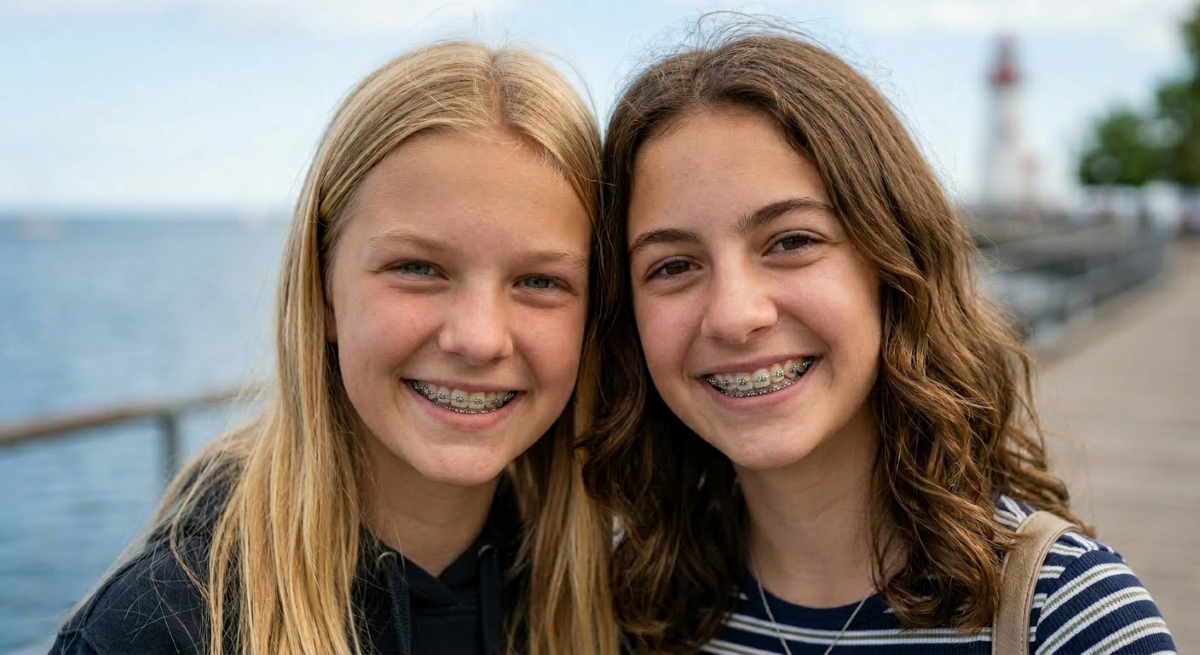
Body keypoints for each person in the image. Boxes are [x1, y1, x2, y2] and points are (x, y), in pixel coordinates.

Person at [583, 25, 1177, 655]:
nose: (734, 315)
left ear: (894, 265)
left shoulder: (1068, 620)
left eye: (791, 241)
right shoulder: (630, 611)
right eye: (673, 266)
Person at [51, 41, 617, 655]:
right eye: (418, 268)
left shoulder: (620, 594)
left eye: (539, 282)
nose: (479, 338)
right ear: (321, 294)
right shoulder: (160, 629)